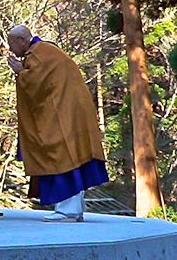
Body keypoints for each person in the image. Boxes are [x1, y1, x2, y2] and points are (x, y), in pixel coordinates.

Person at [7, 25, 109, 222]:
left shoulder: (40, 53)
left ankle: (68, 212)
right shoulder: (45, 52)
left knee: (63, 158)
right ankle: (73, 210)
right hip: (67, 114)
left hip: (61, 117)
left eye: (12, 44)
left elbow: (37, 82)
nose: (12, 50)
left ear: (21, 40)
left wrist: (22, 72)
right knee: (72, 158)